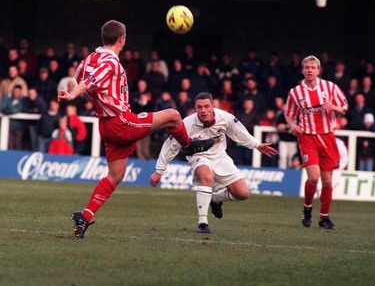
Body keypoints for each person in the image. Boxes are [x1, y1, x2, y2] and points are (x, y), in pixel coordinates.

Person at [58, 20, 217, 239]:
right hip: (121, 121)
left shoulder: (89, 58)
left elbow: (80, 78)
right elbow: (92, 80)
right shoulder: (110, 62)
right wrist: (76, 94)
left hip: (106, 124)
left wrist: (82, 92)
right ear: (122, 39)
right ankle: (190, 147)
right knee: (173, 115)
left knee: (116, 175)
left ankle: (84, 217)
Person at [149, 92, 278, 234]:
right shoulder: (186, 123)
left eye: (206, 106)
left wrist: (257, 145)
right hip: (199, 157)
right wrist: (159, 170)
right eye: (199, 107)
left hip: (220, 157)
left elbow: (239, 133)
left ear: (213, 106)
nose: (203, 110)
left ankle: (215, 198)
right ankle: (203, 223)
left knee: (242, 193)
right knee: (206, 176)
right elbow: (171, 145)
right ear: (195, 108)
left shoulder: (225, 118)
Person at [285, 55, 348, 230]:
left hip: (327, 137)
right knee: (313, 177)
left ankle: (324, 218)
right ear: (302, 70)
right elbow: (289, 113)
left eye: (313, 67)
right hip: (307, 137)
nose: (310, 70)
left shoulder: (331, 87)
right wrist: (292, 125)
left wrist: (334, 108)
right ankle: (307, 208)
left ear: (318, 70)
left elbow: (344, 109)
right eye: (307, 67)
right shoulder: (295, 92)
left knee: (327, 182)